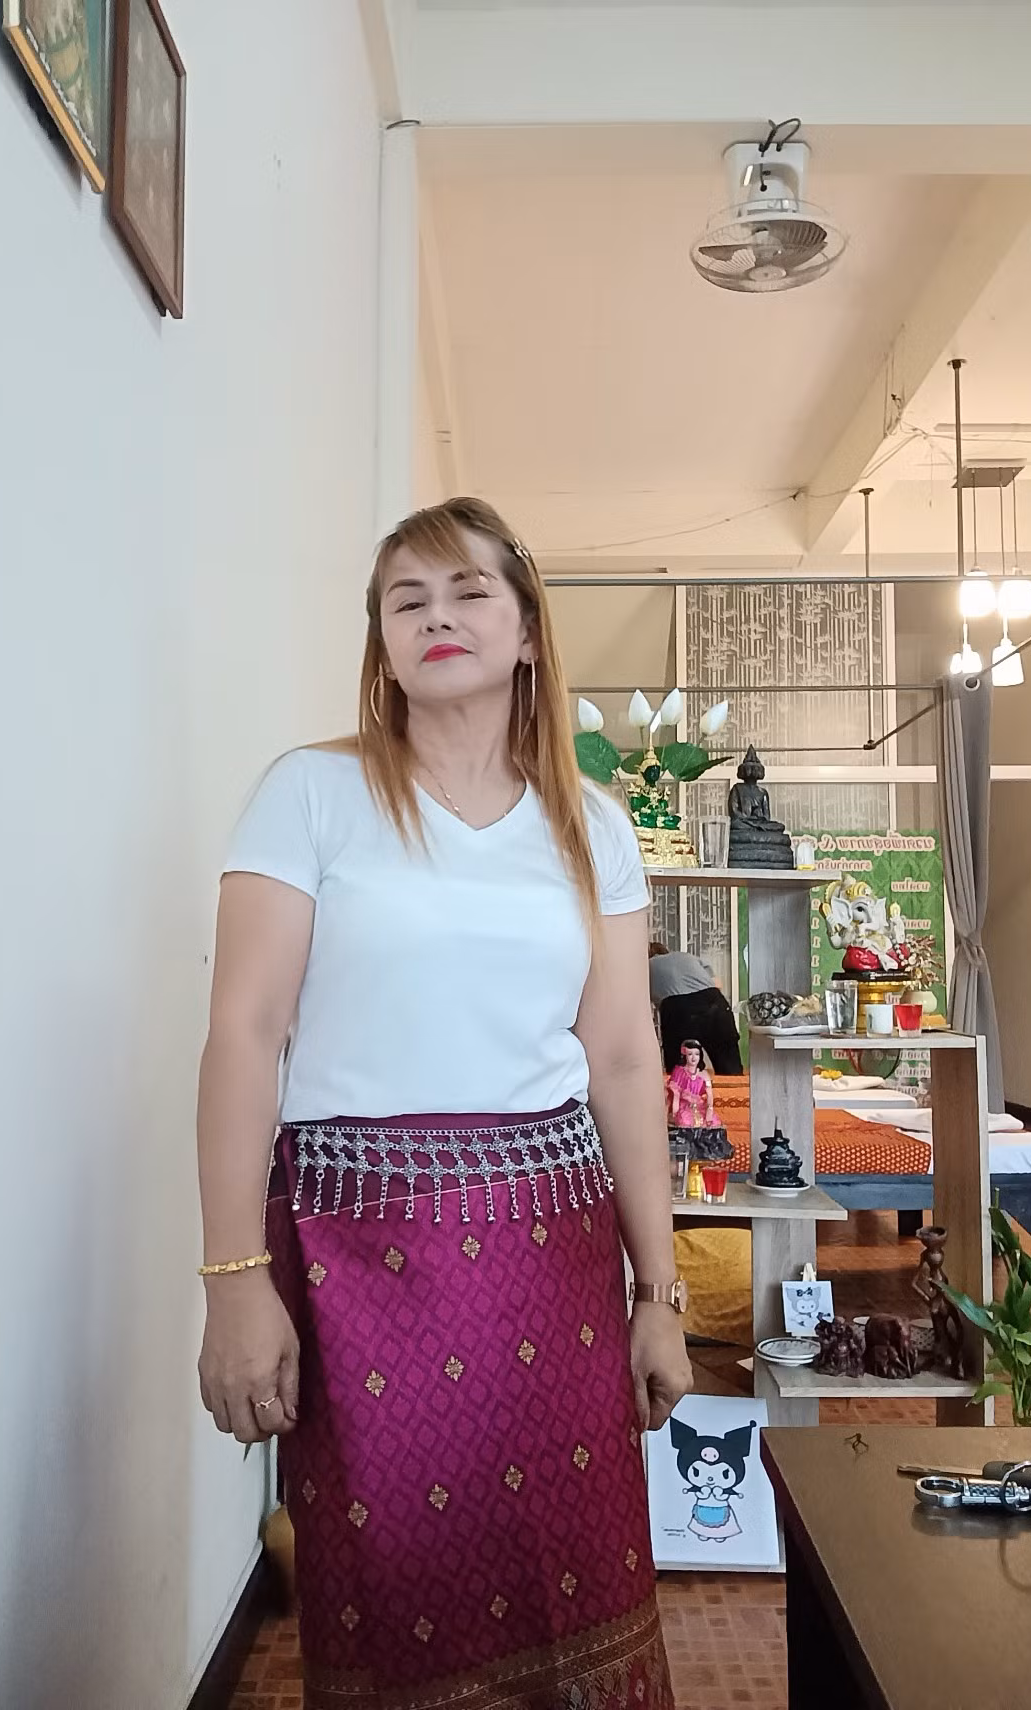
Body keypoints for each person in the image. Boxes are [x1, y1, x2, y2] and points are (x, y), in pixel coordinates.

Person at [196, 498, 687, 1709]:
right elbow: (244, 1036)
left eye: (469, 592)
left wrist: (659, 1294)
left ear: (527, 630)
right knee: (392, 1599)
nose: (437, 617)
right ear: (382, 642)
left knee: (578, 1575)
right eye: (405, 601)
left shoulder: (593, 827)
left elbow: (624, 1058)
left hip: (554, 1262)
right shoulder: (310, 795)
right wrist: (233, 1280)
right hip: (360, 1258)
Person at [648, 941, 743, 1075]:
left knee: (682, 1072)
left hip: (677, 1009)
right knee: (729, 1065)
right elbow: (717, 984)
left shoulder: (646, 967)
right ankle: (734, 1085)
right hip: (713, 1001)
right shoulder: (686, 957)